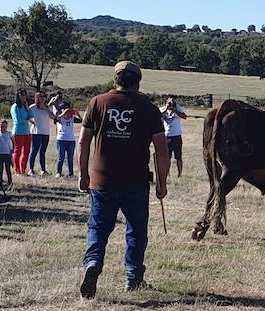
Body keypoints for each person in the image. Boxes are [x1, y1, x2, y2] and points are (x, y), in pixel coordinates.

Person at [77, 60, 170, 297]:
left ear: (115, 80)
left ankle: (93, 263)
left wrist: (83, 174)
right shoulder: (149, 109)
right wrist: (162, 182)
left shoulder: (97, 103)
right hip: (135, 182)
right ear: (138, 83)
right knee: (136, 232)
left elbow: (83, 142)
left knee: (97, 227)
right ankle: (133, 278)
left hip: (102, 181)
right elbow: (161, 150)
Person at [161, 96, 188, 177]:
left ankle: (180, 174)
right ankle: (167, 173)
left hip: (176, 136)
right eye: (169, 103)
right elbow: (160, 117)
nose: (171, 105)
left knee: (178, 157)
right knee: (167, 157)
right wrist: (166, 109)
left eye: (172, 103)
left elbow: (185, 116)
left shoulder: (178, 109)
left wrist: (175, 110)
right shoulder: (162, 109)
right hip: (167, 136)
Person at [28, 90, 53, 175]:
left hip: (46, 132)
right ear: (37, 98)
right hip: (36, 132)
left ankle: (43, 170)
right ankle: (31, 169)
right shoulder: (33, 107)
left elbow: (53, 117)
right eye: (40, 97)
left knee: (43, 152)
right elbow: (26, 116)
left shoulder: (47, 108)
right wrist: (32, 122)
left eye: (44, 96)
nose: (42, 98)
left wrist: (45, 108)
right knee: (34, 151)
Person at [10, 91, 32, 176]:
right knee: (17, 151)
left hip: (27, 132)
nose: (24, 97)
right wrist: (26, 119)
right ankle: (17, 170)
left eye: (25, 95)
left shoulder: (24, 106)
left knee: (26, 152)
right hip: (18, 132)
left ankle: (23, 169)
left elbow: (31, 115)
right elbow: (17, 120)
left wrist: (27, 107)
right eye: (22, 95)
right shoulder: (15, 107)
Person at [54, 101, 79, 176]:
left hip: (71, 140)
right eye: (65, 108)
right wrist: (64, 113)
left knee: (70, 158)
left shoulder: (72, 118)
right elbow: (56, 119)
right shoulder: (60, 118)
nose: (67, 110)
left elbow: (82, 121)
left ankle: (70, 173)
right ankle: (59, 172)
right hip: (61, 139)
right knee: (61, 157)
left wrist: (78, 114)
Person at [0, 118, 14, 189]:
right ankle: (0, 181)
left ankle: (10, 181)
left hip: (7, 153)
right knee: (0, 169)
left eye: (4, 126)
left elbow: (13, 142)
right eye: (1, 126)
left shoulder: (9, 134)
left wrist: (12, 150)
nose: (3, 128)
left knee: (8, 169)